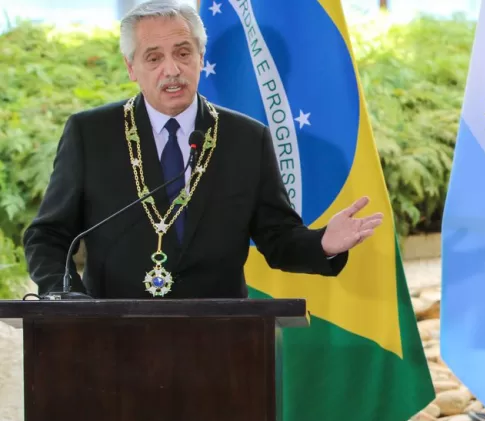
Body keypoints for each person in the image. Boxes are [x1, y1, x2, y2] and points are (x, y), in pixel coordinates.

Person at [23, 0, 382, 299]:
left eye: (182, 53)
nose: (172, 69)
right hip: (113, 337)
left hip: (220, 339)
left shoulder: (246, 139)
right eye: (153, 58)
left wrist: (323, 244)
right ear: (131, 67)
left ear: (199, 56)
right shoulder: (91, 134)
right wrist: (62, 296)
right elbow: (49, 235)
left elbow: (277, 237)